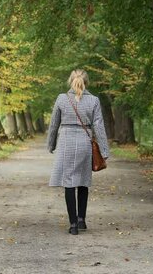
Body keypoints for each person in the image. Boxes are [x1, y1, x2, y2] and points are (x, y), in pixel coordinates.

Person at [47, 69, 110, 235]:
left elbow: (54, 124)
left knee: (69, 182)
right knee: (83, 180)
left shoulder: (62, 98)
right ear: (86, 82)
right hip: (85, 141)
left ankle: (73, 224)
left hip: (66, 141)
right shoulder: (94, 101)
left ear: (70, 81)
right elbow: (99, 126)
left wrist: (51, 145)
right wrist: (104, 150)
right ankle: (82, 220)